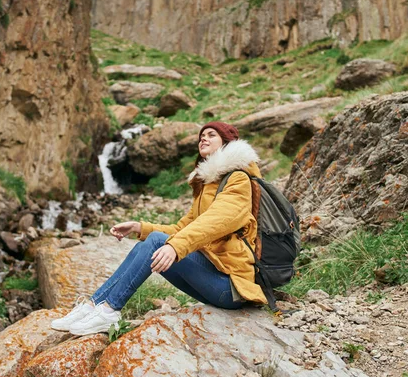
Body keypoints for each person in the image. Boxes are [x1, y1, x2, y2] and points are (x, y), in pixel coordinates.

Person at [51, 121, 267, 336]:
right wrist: (140, 227)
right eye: (202, 135)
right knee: (149, 241)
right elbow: (182, 227)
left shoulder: (239, 180)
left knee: (157, 242)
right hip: (213, 275)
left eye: (211, 135)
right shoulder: (209, 185)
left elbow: (217, 221)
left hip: (231, 287)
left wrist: (176, 247)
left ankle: (109, 311)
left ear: (227, 143)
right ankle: (93, 305)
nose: (203, 138)